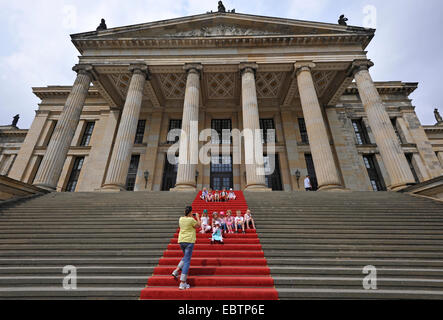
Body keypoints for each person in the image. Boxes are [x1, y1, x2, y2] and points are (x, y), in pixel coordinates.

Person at [172, 206, 201, 290]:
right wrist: (198, 217)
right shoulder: (191, 220)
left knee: (185, 257)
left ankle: (176, 270)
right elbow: (198, 226)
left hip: (181, 240)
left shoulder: (181, 219)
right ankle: (182, 282)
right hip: (189, 241)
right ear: (190, 212)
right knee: (187, 261)